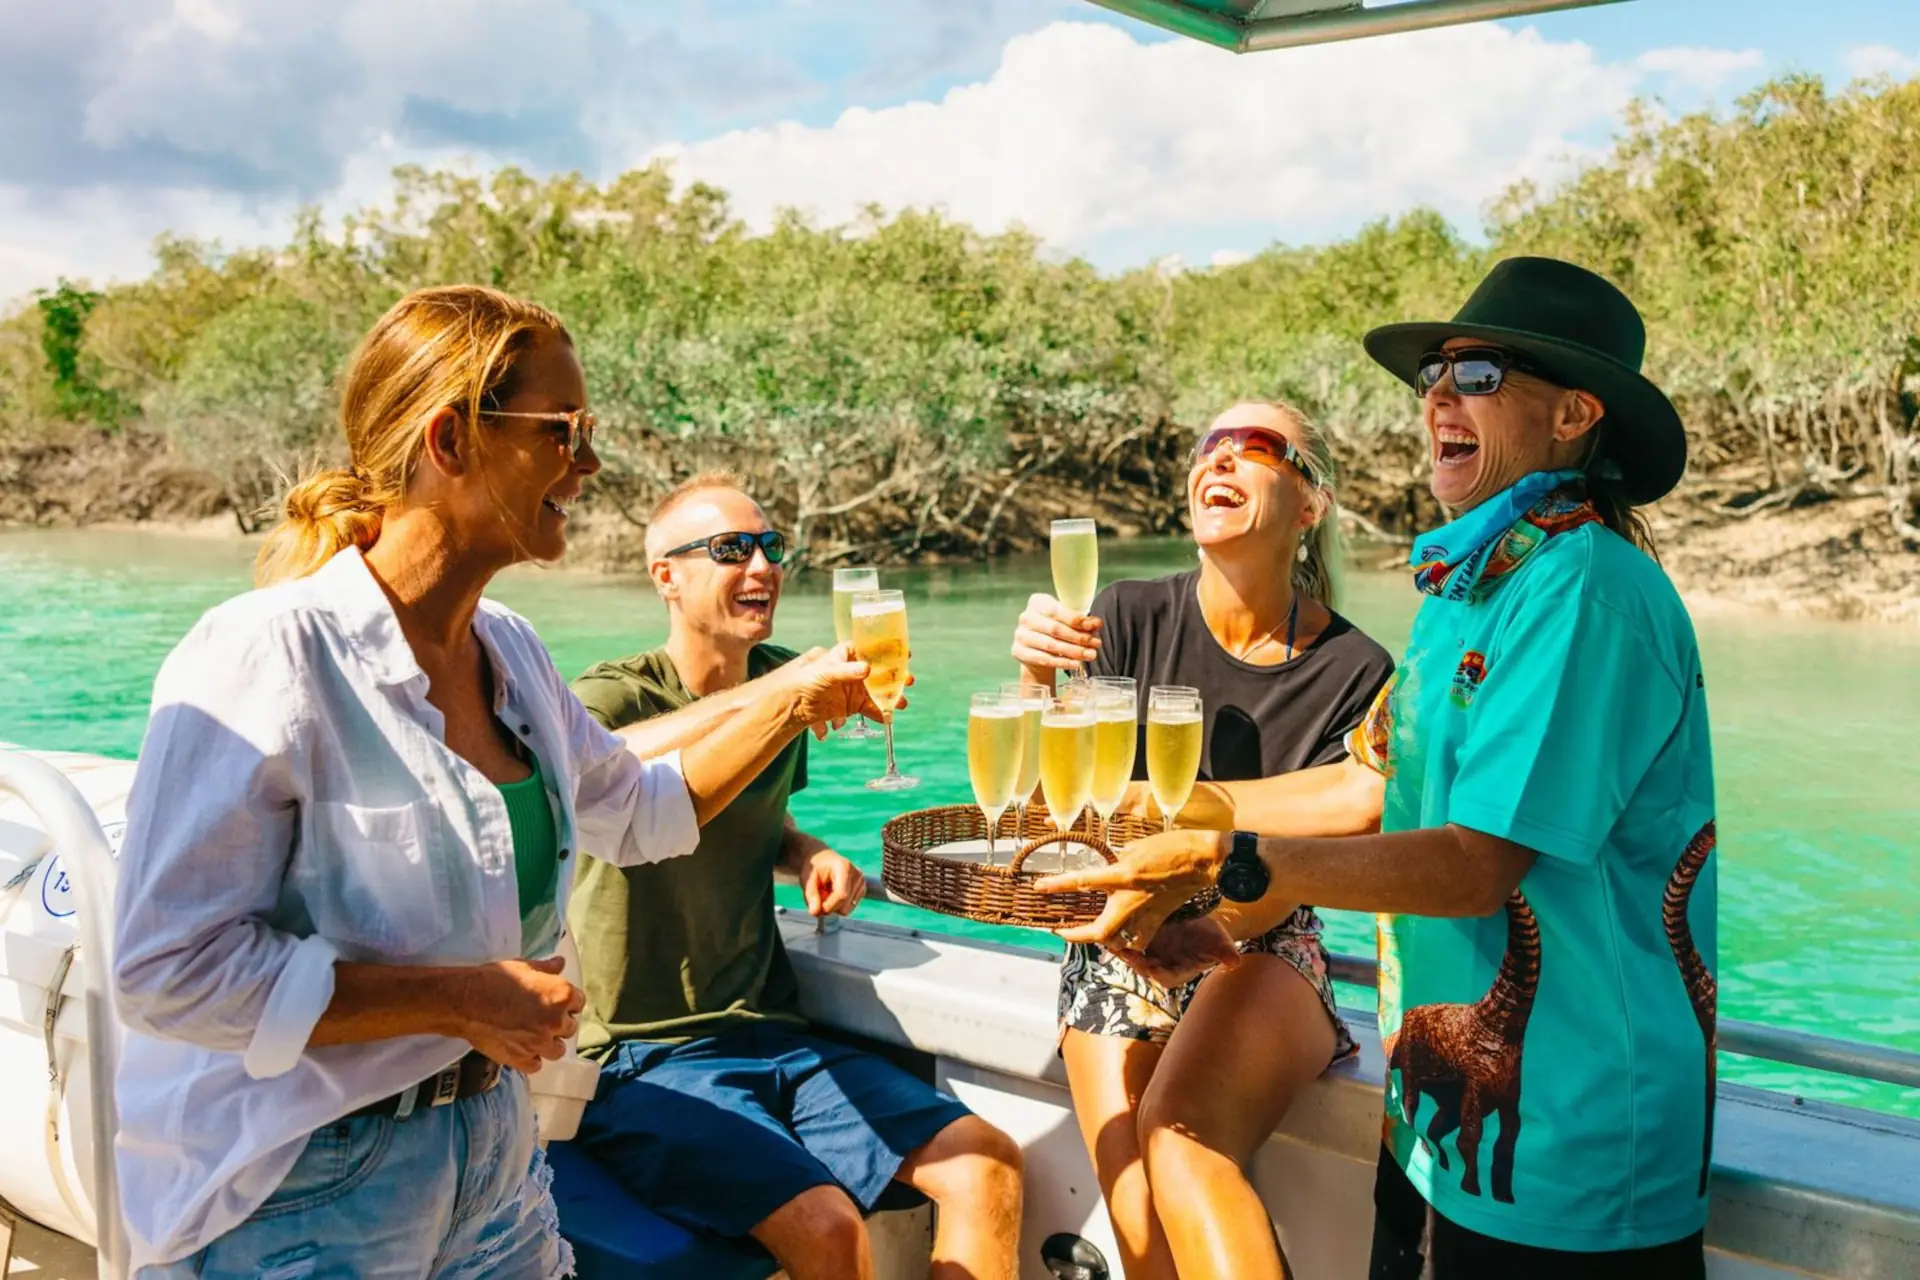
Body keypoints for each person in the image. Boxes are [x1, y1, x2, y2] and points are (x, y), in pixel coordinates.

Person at [112, 286, 879, 1278]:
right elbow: (167, 970)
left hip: (495, 1157)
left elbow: (639, 813)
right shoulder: (270, 651)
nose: (588, 463)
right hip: (307, 1179)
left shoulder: (509, 649)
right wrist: (460, 998)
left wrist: (795, 702)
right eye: (564, 431)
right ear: (451, 439)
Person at [1038, 257, 1718, 1280]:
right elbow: (1365, 787)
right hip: (1437, 1117)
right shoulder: (1466, 587)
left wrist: (1225, 862)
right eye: (1433, 375)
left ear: (1575, 413)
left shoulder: (1583, 591)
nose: (1440, 395)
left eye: (1478, 375)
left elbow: (1476, 866)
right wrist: (1159, 812)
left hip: (1570, 1147)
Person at [566, 472, 1024, 1280]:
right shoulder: (616, 694)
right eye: (730, 549)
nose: (763, 565)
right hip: (638, 1058)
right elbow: (586, 767)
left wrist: (804, 851)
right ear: (666, 577)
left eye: (771, 546)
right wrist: (778, 698)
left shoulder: (788, 681)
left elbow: (747, 816)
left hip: (772, 1030)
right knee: (828, 1226)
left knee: (985, 1165)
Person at [1009, 401, 1393, 1279]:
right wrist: (1033, 680)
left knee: (1183, 1139)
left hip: (1265, 935)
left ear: (1311, 503)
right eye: (1207, 447)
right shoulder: (1126, 614)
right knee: (1140, 1224)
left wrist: (1203, 878)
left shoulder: (1356, 669)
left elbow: (1339, 833)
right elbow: (1049, 814)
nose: (1218, 459)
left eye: (1253, 446)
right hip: (1120, 936)